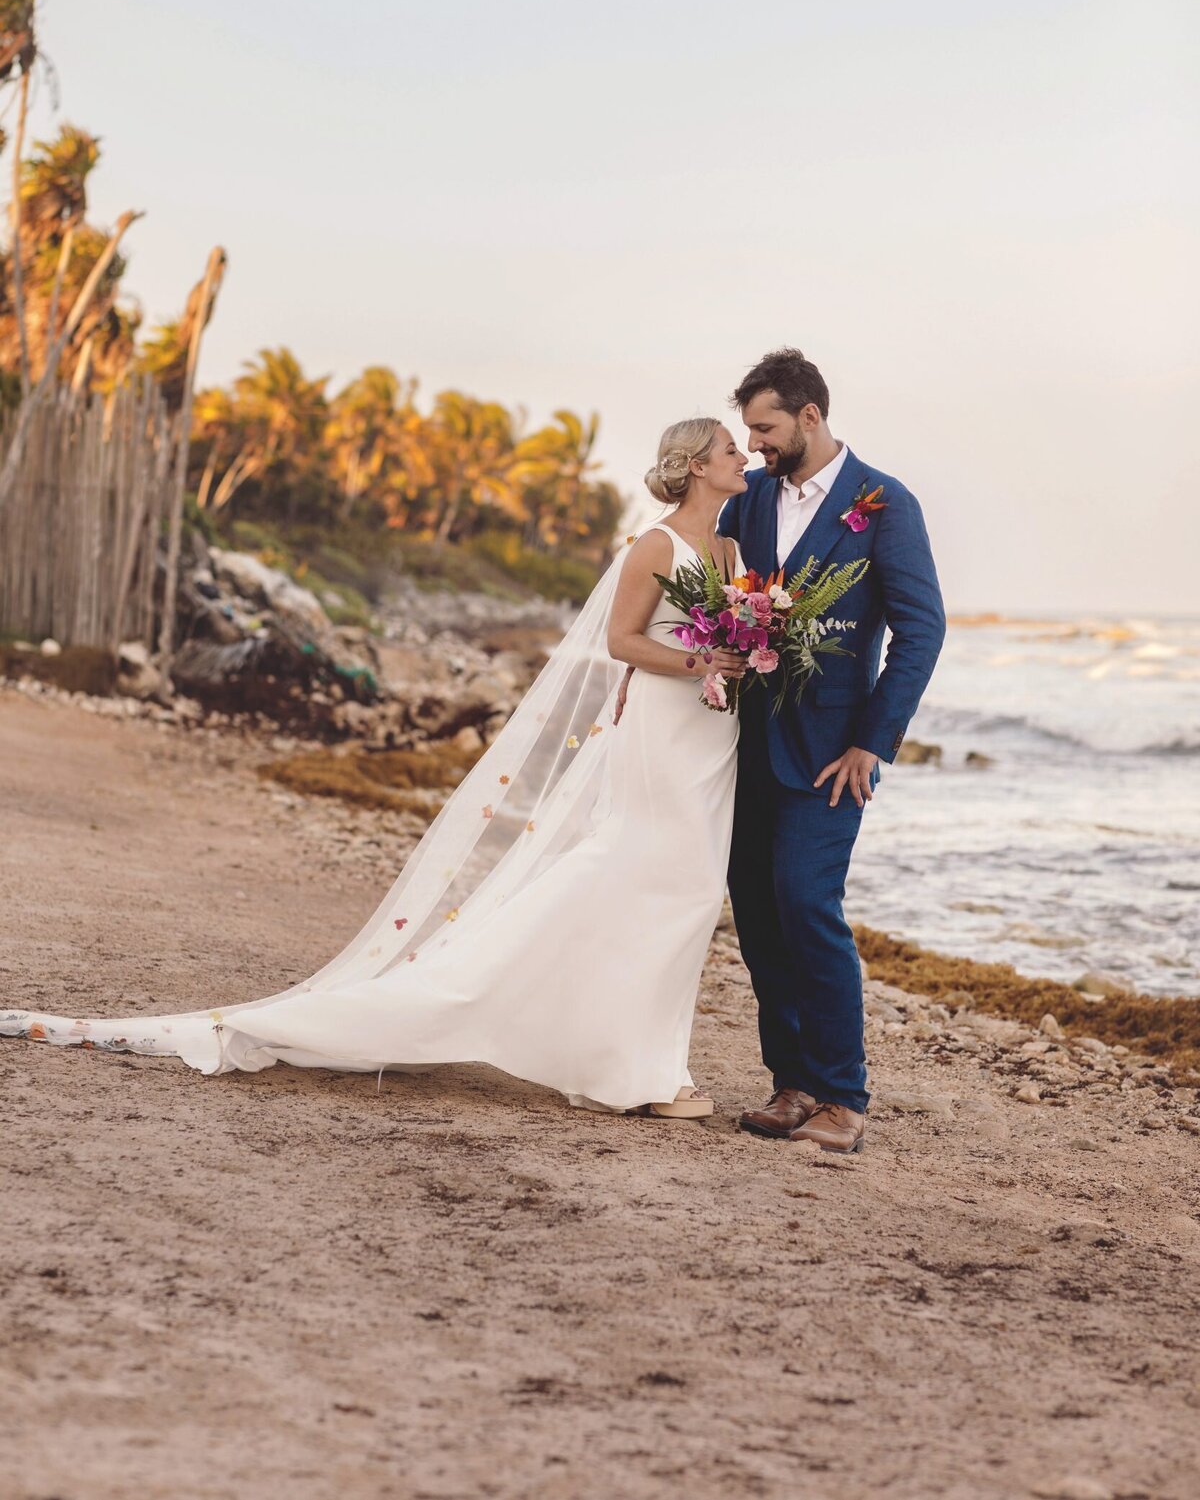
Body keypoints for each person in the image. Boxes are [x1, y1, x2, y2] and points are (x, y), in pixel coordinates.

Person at [1, 419, 751, 1120]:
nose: (741, 456)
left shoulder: (728, 552)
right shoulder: (654, 546)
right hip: (659, 729)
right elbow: (622, 641)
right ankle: (635, 1072)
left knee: (680, 891)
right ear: (694, 468)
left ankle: (635, 1059)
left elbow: (732, 632)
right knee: (649, 880)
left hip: (710, 736)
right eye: (728, 448)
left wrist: (748, 655)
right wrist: (700, 660)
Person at [719, 347, 946, 1154]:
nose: (754, 445)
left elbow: (922, 631)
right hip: (744, 743)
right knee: (755, 909)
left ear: (809, 416)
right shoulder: (746, 499)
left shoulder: (884, 505)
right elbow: (710, 583)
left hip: (831, 753)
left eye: (765, 428)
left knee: (807, 902)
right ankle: (793, 1081)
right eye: (748, 432)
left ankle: (843, 1095)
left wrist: (871, 743)